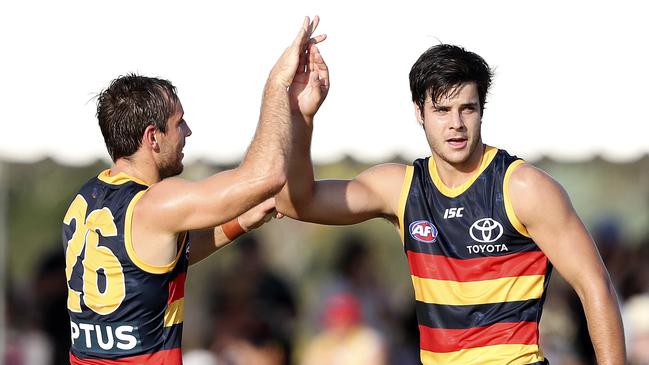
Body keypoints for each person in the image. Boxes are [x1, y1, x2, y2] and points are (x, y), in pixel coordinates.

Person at [276, 35, 626, 363]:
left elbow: (595, 285)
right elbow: (300, 202)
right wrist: (302, 117)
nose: (456, 124)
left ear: (481, 110)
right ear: (419, 112)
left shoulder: (523, 187)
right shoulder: (400, 188)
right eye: (442, 110)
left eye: (467, 109)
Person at [61, 16, 325, 365]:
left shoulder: (87, 198)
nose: (188, 131)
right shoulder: (155, 203)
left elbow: (156, 260)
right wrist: (277, 85)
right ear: (152, 137)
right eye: (178, 123)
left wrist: (240, 221)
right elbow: (267, 175)